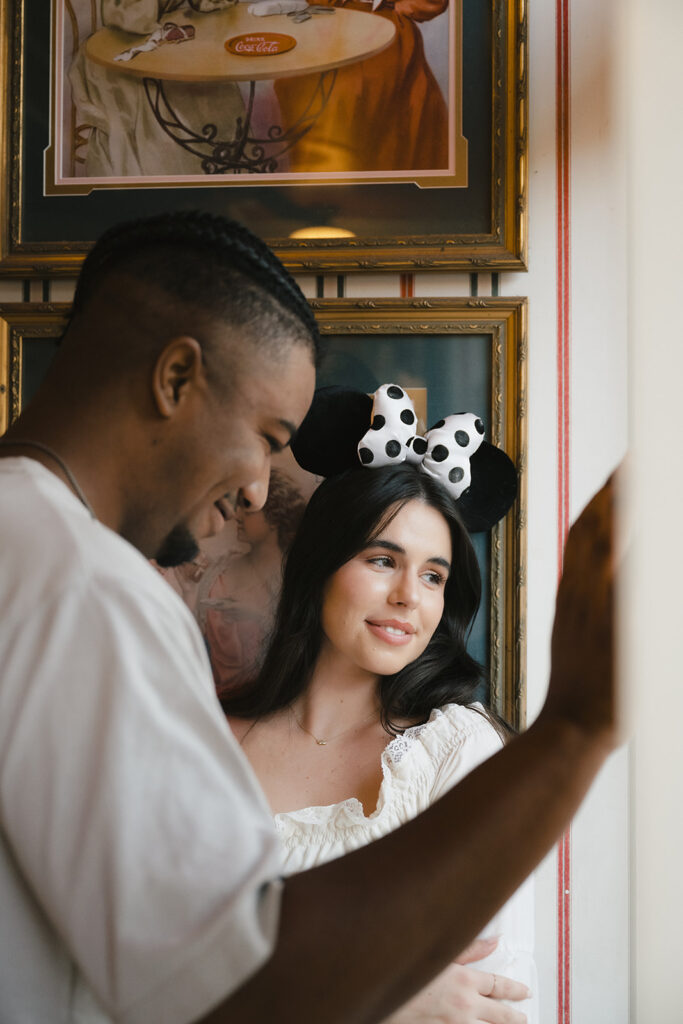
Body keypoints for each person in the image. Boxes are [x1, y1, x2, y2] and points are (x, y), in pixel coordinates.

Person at [0, 208, 618, 1024]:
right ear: (175, 378)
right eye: (265, 436)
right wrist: (575, 728)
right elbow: (226, 988)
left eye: (433, 574)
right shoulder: (88, 590)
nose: (259, 489)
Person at [225, 388, 536, 1021]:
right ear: (320, 568)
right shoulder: (209, 742)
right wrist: (382, 995)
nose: (409, 597)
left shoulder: (456, 751)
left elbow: (489, 998)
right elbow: (150, 972)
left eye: (433, 576)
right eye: (382, 559)